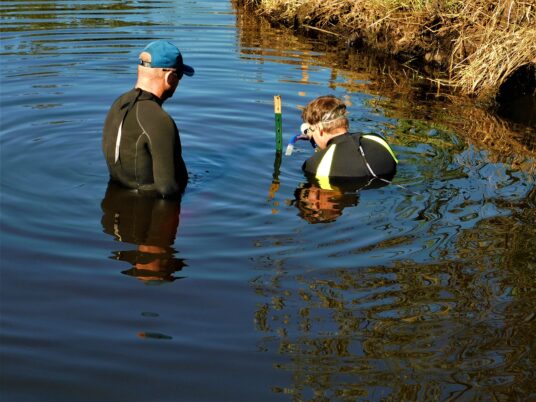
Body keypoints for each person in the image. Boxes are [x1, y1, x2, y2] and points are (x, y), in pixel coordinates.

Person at [102, 40, 194, 198]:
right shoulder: (159, 120)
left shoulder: (118, 104)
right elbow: (168, 190)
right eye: (179, 76)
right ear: (170, 77)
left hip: (113, 213)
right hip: (148, 216)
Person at [300, 95, 398, 188]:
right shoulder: (378, 140)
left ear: (320, 130)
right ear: (345, 123)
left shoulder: (314, 165)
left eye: (311, 130)